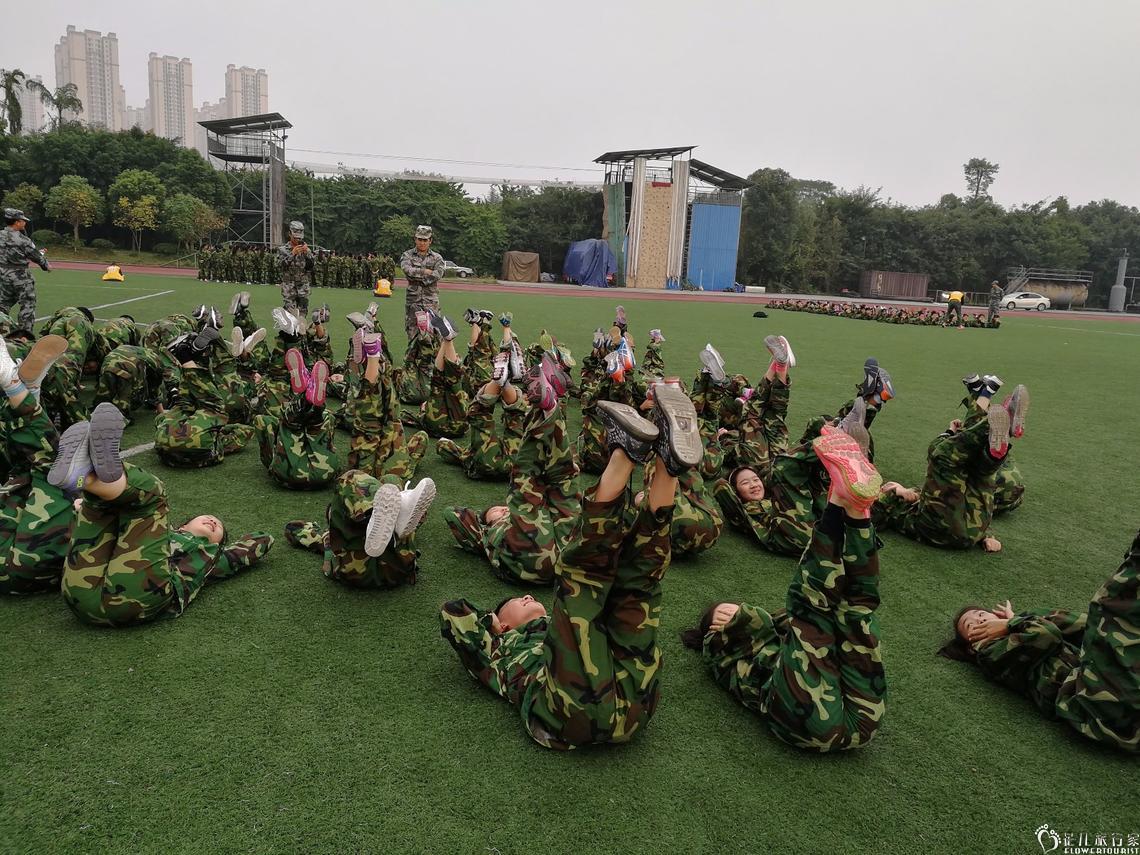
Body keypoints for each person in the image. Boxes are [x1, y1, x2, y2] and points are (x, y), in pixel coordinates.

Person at [439, 382, 703, 750]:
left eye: (519, 599)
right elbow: (456, 616)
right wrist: (493, 625)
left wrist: (495, 620)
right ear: (503, 625)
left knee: (636, 583)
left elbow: (453, 611)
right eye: (516, 602)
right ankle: (625, 455)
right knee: (583, 578)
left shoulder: (533, 635)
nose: (528, 597)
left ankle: (668, 468)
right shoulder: (497, 650)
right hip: (572, 710)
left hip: (631, 707)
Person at [682, 428, 886, 752]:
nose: (734, 611)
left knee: (856, 609)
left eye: (730, 609)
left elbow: (782, 622)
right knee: (809, 605)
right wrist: (732, 623)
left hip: (862, 718)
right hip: (805, 720)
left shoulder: (777, 636)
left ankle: (857, 514)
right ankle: (839, 502)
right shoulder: (717, 650)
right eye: (724, 614)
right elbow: (769, 621)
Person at [50, 402, 274, 627]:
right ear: (183, 526)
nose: (214, 521)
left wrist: (225, 548)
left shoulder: (213, 555)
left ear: (218, 544)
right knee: (108, 507)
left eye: (219, 529)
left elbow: (262, 541)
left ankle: (88, 476)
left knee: (153, 496)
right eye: (208, 517)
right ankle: (84, 478)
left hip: (135, 600)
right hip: (81, 594)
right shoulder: (160, 533)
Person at [939, 524, 1140, 753]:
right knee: (1109, 608)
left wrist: (1015, 622)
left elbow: (1084, 625)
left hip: (1107, 698)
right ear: (970, 646)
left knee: (1105, 619)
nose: (980, 619)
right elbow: (1048, 634)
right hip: (1096, 707)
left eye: (981, 613)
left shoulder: (1017, 633)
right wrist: (1015, 622)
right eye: (971, 624)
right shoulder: (989, 655)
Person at [443, 355, 579, 585]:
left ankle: (548, 406)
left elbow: (452, 513)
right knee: (562, 478)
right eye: (498, 512)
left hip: (539, 553)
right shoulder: (486, 535)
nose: (504, 510)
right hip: (538, 557)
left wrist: (488, 520)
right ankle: (544, 405)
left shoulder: (484, 535)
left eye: (498, 510)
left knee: (533, 477)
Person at [875, 377, 1028, 552]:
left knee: (978, 473)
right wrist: (894, 492)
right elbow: (870, 516)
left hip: (974, 529)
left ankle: (995, 450)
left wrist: (988, 535)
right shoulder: (876, 504)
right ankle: (993, 417)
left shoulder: (911, 499)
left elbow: (929, 496)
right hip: (940, 527)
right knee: (942, 457)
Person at [0, 334, 74, 595]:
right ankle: (26, 391)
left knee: (54, 468)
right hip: (15, 549)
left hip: (18, 562)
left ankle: (14, 384)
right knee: (25, 469)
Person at [285, 475, 436, 590]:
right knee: (391, 479)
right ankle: (399, 503)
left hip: (354, 571)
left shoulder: (325, 536)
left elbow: (292, 527)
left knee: (350, 478)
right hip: (400, 568)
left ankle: (373, 510)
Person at [0, 208, 50, 336]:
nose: (24, 222)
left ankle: (1, 332)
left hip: (3, 275)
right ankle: (23, 337)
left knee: (3, 305)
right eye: (22, 220)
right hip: (20, 277)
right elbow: (36, 256)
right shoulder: (23, 240)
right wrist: (46, 265)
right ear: (16, 222)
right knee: (27, 306)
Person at [400, 225, 444, 339]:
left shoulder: (437, 257)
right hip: (413, 301)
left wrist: (419, 279)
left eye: (425, 240)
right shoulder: (407, 255)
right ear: (415, 239)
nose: (422, 242)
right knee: (413, 334)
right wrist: (425, 271)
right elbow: (407, 270)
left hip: (431, 301)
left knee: (435, 333)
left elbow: (438, 274)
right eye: (420, 239)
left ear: (430, 241)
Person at [277, 221, 315, 318]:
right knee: (289, 313)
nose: (298, 240)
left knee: (302, 313)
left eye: (300, 238)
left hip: (303, 286)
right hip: (289, 286)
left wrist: (307, 255)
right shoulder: (283, 250)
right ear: (290, 234)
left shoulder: (306, 250)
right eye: (295, 237)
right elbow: (280, 265)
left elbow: (311, 267)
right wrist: (292, 254)